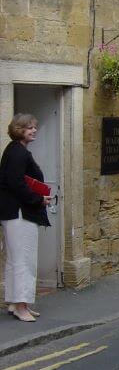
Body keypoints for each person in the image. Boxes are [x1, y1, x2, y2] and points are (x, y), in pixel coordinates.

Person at [0, 114, 53, 322]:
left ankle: (14, 303)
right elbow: (16, 184)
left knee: (15, 260)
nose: (33, 130)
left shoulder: (14, 151)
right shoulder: (18, 153)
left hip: (12, 213)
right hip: (20, 213)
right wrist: (39, 199)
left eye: (34, 127)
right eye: (28, 127)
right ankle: (22, 306)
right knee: (25, 260)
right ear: (19, 130)